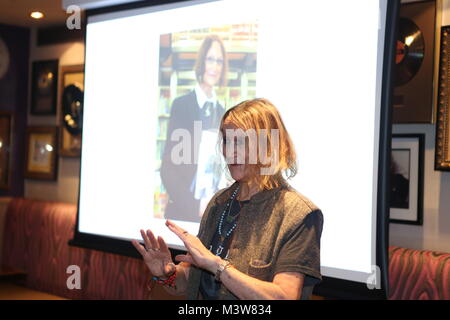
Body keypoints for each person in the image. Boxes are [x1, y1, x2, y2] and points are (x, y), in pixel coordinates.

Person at [133, 98, 324, 300]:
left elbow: (284, 297)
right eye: (226, 141)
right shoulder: (220, 202)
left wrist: (217, 266)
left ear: (268, 146)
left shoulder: (299, 214)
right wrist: (167, 273)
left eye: (241, 141)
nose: (230, 152)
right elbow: (189, 281)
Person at [160, 34, 228, 223]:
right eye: (210, 59)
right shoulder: (181, 105)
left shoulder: (225, 113)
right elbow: (168, 168)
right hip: (183, 213)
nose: (214, 67)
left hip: (214, 217)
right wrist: (194, 206)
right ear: (201, 62)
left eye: (219, 62)